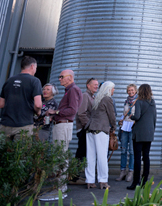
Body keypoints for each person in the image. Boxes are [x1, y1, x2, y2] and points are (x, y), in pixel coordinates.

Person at [41, 69, 82, 200]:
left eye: (61, 76)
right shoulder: (70, 90)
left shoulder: (73, 90)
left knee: (61, 156)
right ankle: (59, 188)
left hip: (63, 125)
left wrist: (55, 112)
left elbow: (72, 110)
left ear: (69, 78)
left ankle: (60, 190)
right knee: (60, 155)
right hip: (62, 124)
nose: (59, 79)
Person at [0, 56, 42, 139]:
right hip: (24, 125)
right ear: (32, 66)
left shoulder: (9, 80)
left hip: (5, 124)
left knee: (2, 151)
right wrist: (38, 113)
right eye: (36, 67)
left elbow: (1, 104)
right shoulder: (35, 81)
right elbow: (38, 105)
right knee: (20, 151)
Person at [85, 81, 116, 190]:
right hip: (101, 130)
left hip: (90, 129)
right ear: (108, 89)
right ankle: (103, 181)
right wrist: (114, 127)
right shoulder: (107, 99)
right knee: (102, 156)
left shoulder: (96, 99)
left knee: (90, 156)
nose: (114, 90)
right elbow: (112, 116)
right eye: (113, 88)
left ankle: (90, 181)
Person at [127, 84, 157, 190]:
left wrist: (132, 116)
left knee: (137, 158)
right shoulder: (153, 103)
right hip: (149, 133)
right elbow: (154, 118)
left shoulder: (139, 102)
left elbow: (138, 116)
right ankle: (144, 182)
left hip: (139, 134)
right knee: (146, 157)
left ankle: (135, 183)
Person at [70, 77, 98, 186]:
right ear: (88, 85)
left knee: (84, 153)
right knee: (81, 153)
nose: (96, 86)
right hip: (84, 130)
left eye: (97, 85)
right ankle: (73, 176)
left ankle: (76, 175)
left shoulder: (92, 96)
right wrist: (89, 126)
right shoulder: (85, 96)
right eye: (94, 84)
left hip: (87, 129)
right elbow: (81, 113)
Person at [116, 84, 137, 182]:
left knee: (132, 151)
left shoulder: (138, 102)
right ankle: (122, 171)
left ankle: (131, 172)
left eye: (132, 90)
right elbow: (123, 113)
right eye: (129, 90)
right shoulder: (126, 102)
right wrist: (120, 120)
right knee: (123, 150)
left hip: (133, 128)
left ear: (136, 91)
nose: (130, 92)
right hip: (124, 128)